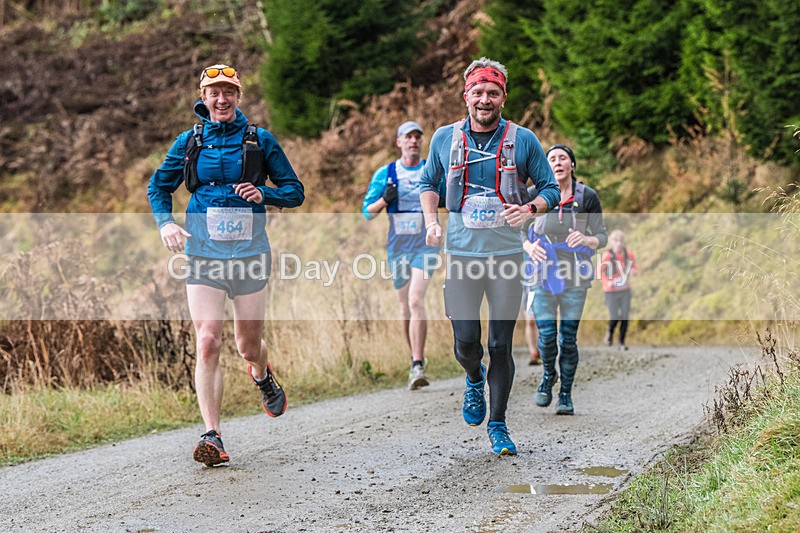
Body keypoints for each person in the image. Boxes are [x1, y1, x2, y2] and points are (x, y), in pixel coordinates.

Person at [147, 64, 304, 466]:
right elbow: (158, 185)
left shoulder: (259, 140)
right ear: (203, 97)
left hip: (249, 254)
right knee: (207, 340)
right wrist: (166, 222)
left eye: (228, 92)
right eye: (213, 92)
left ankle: (262, 373)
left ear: (238, 96)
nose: (221, 99)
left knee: (247, 346)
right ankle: (212, 436)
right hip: (204, 254)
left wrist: (264, 194)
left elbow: (295, 191)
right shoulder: (189, 142)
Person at [419, 57, 559, 455]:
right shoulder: (444, 138)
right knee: (466, 343)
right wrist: (432, 221)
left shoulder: (523, 139)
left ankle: (498, 425)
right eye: (478, 92)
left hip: (506, 257)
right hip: (462, 254)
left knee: (500, 344)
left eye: (492, 93)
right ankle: (472, 377)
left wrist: (529, 209)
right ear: (466, 96)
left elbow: (549, 188)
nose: (485, 100)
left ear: (503, 97)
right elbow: (429, 182)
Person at [523, 144, 607, 416]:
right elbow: (517, 230)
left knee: (567, 338)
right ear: (546, 167)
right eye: (552, 159)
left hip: (576, 276)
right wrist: (528, 247)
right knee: (546, 336)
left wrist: (586, 239)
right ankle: (548, 376)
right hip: (541, 272)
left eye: (563, 158)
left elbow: (602, 236)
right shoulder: (535, 195)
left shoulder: (587, 197)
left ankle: (566, 395)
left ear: (572, 164)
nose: (557, 163)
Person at [361, 121, 445, 390]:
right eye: (408, 137)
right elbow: (367, 213)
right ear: (399, 142)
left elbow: (446, 198)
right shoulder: (385, 174)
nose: (413, 142)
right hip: (397, 247)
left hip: (425, 244)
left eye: (418, 137)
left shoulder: (430, 170)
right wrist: (385, 199)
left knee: (416, 299)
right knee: (404, 308)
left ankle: (418, 364)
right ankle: (414, 360)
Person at [601, 229, 638, 350]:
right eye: (616, 241)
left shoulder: (628, 254)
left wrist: (633, 272)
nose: (619, 243)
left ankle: (621, 342)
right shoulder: (607, 255)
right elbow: (601, 272)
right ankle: (610, 333)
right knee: (614, 316)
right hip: (610, 291)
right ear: (612, 242)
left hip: (625, 289)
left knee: (625, 316)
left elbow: (634, 268)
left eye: (621, 240)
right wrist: (608, 282)